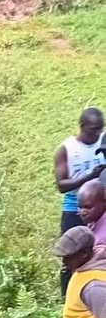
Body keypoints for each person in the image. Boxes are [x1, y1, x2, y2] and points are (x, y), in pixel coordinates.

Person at [56, 107, 106, 297]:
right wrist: (89, 176)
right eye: (94, 128)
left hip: (101, 206)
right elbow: (61, 185)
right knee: (71, 254)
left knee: (97, 250)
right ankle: (68, 296)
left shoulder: (103, 143)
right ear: (82, 126)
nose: (98, 133)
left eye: (101, 128)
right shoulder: (67, 149)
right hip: (74, 207)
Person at [54, 226, 106, 318]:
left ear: (84, 254)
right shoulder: (82, 269)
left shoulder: (94, 286)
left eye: (68, 256)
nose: (63, 261)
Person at [80, 180, 106, 246]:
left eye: (88, 207)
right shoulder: (93, 221)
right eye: (80, 207)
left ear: (104, 202)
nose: (83, 212)